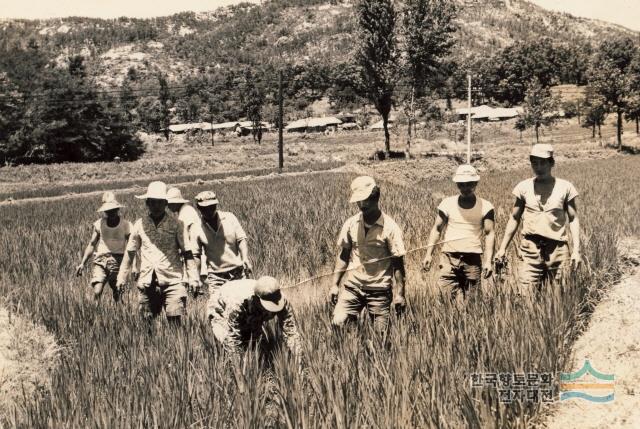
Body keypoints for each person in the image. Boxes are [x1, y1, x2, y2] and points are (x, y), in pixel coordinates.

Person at [495, 144, 581, 292]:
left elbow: (573, 219)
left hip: (558, 249)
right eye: (535, 162)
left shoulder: (565, 187)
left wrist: (576, 250)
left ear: (551, 163)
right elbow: (514, 218)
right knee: (525, 295)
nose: (539, 167)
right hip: (530, 249)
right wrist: (502, 248)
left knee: (558, 296)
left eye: (543, 163)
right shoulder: (523, 187)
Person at [330, 176, 407, 333]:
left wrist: (400, 294)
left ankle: (372, 351)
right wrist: (334, 285)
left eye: (366, 200)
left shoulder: (390, 228)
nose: (362, 204)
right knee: (338, 322)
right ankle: (354, 343)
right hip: (353, 286)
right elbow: (344, 255)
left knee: (380, 336)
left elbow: (398, 264)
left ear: (376, 197)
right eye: (359, 201)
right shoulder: (351, 224)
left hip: (379, 289)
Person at [116, 181, 199, 323]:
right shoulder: (139, 225)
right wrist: (121, 277)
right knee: (146, 322)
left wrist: (193, 277)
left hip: (173, 280)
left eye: (160, 202)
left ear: (166, 203)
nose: (156, 206)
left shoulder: (177, 224)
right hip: (147, 281)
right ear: (147, 203)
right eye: (152, 202)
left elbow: (187, 253)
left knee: (175, 321)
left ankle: (176, 346)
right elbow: (130, 253)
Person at [422, 165, 495, 302]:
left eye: (469, 185)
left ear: (476, 183)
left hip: (472, 259)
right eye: (461, 185)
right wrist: (428, 254)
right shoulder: (447, 204)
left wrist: (488, 261)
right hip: (449, 258)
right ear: (457, 184)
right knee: (444, 301)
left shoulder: (486, 206)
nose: (465, 188)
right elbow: (437, 229)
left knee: (474, 303)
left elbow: (489, 233)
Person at [207, 276, 301, 357]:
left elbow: (291, 331)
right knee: (226, 339)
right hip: (220, 308)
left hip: (251, 307)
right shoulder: (237, 304)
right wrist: (240, 370)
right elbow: (233, 339)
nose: (270, 310)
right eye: (267, 306)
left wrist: (297, 357)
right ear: (256, 299)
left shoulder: (280, 299)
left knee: (254, 342)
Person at [75, 192, 132, 303]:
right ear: (105, 211)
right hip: (101, 260)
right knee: (97, 291)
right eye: (108, 211)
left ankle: (119, 314)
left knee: (118, 292)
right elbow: (92, 244)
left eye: (113, 210)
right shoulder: (99, 224)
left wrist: (134, 265)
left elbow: (131, 247)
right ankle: (95, 314)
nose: (111, 213)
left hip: (118, 261)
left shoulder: (126, 225)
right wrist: (82, 263)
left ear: (118, 209)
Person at [194, 191, 253, 294]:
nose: (209, 211)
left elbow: (241, 239)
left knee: (244, 303)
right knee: (218, 307)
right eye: (205, 209)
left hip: (238, 271)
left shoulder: (229, 217)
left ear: (216, 205)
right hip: (216, 277)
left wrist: (245, 258)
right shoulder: (197, 227)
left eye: (212, 207)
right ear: (199, 208)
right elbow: (196, 254)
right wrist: (197, 277)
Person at [167, 186, 204, 296]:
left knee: (193, 276)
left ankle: (195, 293)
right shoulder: (185, 210)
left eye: (170, 203)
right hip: (194, 247)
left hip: (193, 248)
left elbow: (184, 234)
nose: (168, 206)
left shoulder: (185, 213)